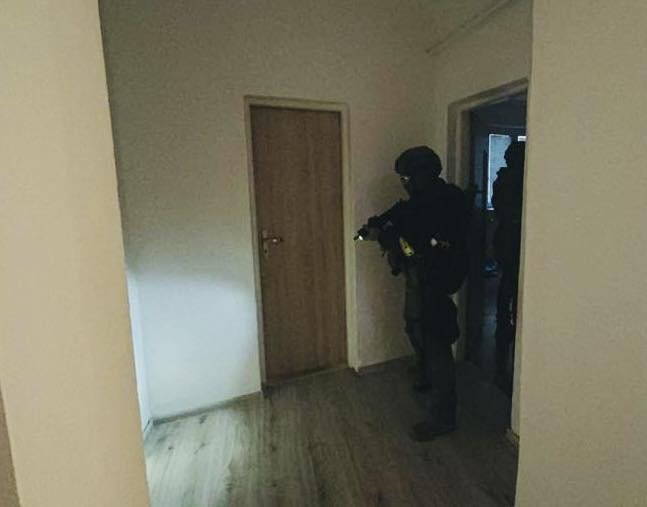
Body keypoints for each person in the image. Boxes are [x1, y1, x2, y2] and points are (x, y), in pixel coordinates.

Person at [357, 146, 470, 441]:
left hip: (433, 281)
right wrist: (380, 226)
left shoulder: (439, 203)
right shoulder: (427, 199)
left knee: (435, 344)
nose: (403, 183)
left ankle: (444, 417)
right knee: (414, 328)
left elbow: (415, 242)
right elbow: (400, 219)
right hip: (422, 279)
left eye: (406, 177)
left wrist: (386, 235)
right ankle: (425, 375)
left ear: (421, 175)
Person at [492, 141, 526, 394]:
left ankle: (505, 322)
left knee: (508, 283)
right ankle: (507, 322)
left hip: (506, 238)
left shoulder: (503, 179)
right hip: (510, 239)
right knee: (511, 283)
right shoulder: (509, 180)